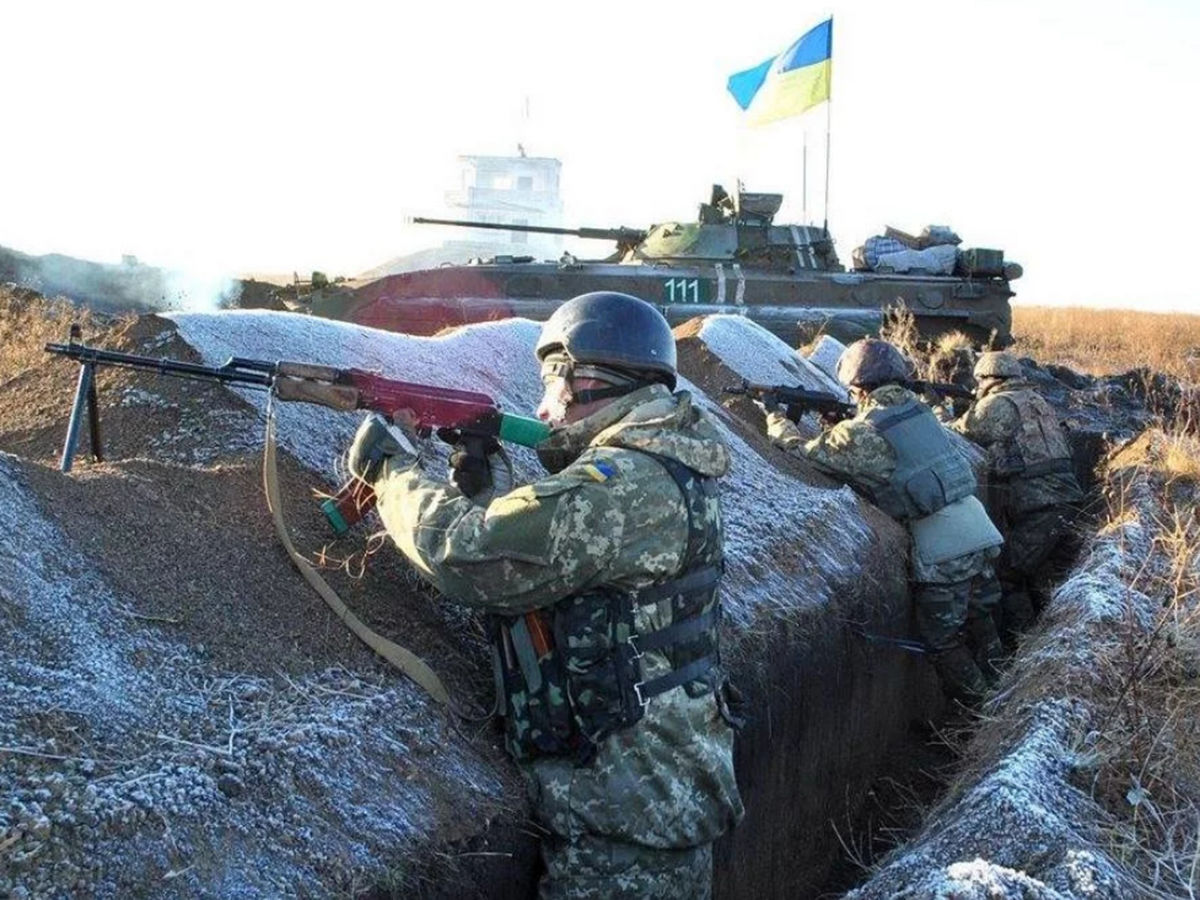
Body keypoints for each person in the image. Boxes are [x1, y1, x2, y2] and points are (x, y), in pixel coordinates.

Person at [346, 291, 743, 898]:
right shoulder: (660, 460)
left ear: (584, 380)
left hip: (627, 824)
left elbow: (469, 555)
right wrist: (487, 487)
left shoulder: (623, 482)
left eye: (551, 384)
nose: (544, 406)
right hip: (653, 796)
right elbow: (552, 560)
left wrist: (394, 474)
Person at [762, 338, 1005, 701]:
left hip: (944, 550)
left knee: (943, 641)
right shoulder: (918, 411)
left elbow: (801, 452)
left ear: (857, 386)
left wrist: (775, 418)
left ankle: (985, 712)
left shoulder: (862, 432)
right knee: (980, 619)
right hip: (980, 532)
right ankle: (1007, 687)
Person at [952, 351, 1083, 636]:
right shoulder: (1038, 401)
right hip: (1067, 502)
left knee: (1008, 577)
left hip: (1041, 508)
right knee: (1046, 576)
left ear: (989, 379)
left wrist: (942, 413)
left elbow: (961, 432)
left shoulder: (997, 404)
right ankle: (1051, 634)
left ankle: (1021, 646)